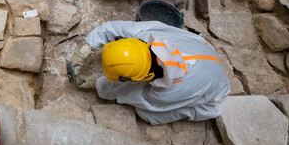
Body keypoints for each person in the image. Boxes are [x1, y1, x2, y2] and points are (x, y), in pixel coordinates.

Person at [68, 20, 230, 125]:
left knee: (149, 114)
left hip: (215, 86)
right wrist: (84, 50)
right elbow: (112, 27)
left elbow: (130, 93)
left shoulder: (166, 93)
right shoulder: (146, 36)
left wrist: (96, 85)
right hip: (203, 49)